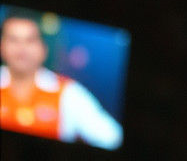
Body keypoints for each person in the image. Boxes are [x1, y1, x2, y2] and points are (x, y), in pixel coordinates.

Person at [0, 12, 123, 149]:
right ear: (2, 46)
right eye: (13, 40)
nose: (21, 49)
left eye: (29, 40)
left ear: (43, 49)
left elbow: (113, 138)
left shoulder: (68, 92)